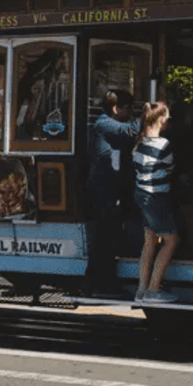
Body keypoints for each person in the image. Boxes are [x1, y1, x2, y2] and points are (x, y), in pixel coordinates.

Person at [84, 90, 139, 295]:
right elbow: (131, 130)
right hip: (102, 191)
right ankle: (98, 285)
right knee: (102, 239)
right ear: (116, 109)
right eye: (128, 109)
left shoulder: (109, 124)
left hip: (114, 189)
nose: (131, 113)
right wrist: (153, 115)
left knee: (110, 238)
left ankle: (105, 282)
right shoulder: (103, 124)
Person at [133, 101, 178, 303]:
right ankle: (153, 289)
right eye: (167, 118)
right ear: (161, 120)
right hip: (157, 196)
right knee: (170, 240)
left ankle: (141, 289)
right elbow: (169, 168)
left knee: (149, 241)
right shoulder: (163, 145)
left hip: (141, 193)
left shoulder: (138, 144)